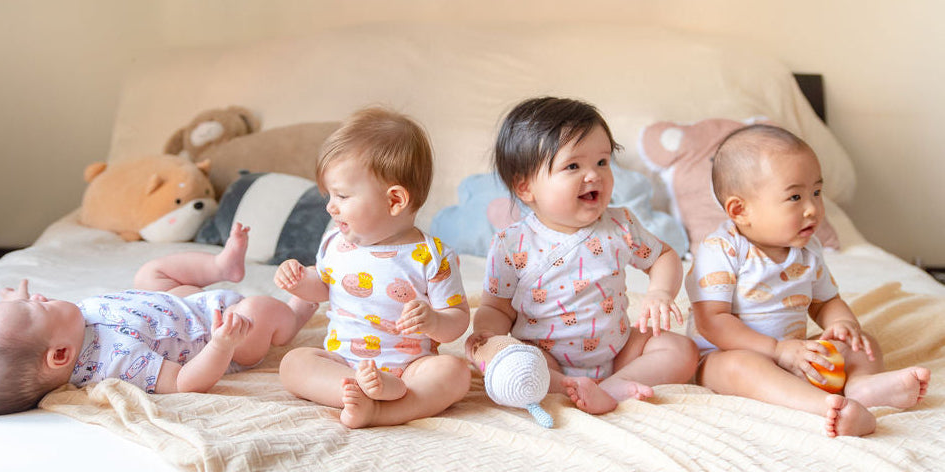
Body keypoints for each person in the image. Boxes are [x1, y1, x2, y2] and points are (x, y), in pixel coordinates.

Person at [686, 123, 931, 437]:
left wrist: (843, 324)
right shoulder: (720, 250)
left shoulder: (808, 249)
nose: (813, 208)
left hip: (796, 354)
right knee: (738, 366)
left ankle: (862, 387)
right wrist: (776, 350)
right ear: (740, 209)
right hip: (725, 357)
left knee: (861, 342)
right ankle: (825, 407)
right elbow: (712, 322)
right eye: (795, 197)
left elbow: (825, 302)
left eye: (816, 192)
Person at [467, 97, 698, 415]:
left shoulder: (620, 224)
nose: (594, 175)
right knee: (524, 366)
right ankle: (567, 386)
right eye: (573, 166)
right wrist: (488, 339)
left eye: (602, 162)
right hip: (548, 357)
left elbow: (664, 256)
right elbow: (496, 307)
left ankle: (613, 386)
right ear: (525, 188)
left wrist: (660, 292)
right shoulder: (512, 244)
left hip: (617, 351)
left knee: (681, 349)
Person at [0, 223, 316, 416]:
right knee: (259, 310)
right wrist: (223, 344)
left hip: (174, 306)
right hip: (216, 331)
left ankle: (222, 266)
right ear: (59, 356)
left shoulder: (62, 331)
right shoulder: (117, 363)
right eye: (36, 308)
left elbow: (24, 333)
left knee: (150, 273)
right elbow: (186, 382)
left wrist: (20, 303)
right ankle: (296, 316)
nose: (41, 297)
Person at [274, 106, 471, 428]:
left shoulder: (432, 255)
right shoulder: (334, 242)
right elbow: (324, 288)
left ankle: (383, 409)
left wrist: (434, 320)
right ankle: (356, 390)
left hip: (410, 367)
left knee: (455, 373)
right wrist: (298, 282)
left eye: (341, 195)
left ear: (394, 201)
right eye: (329, 195)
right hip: (345, 362)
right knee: (294, 363)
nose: (330, 206)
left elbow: (458, 321)